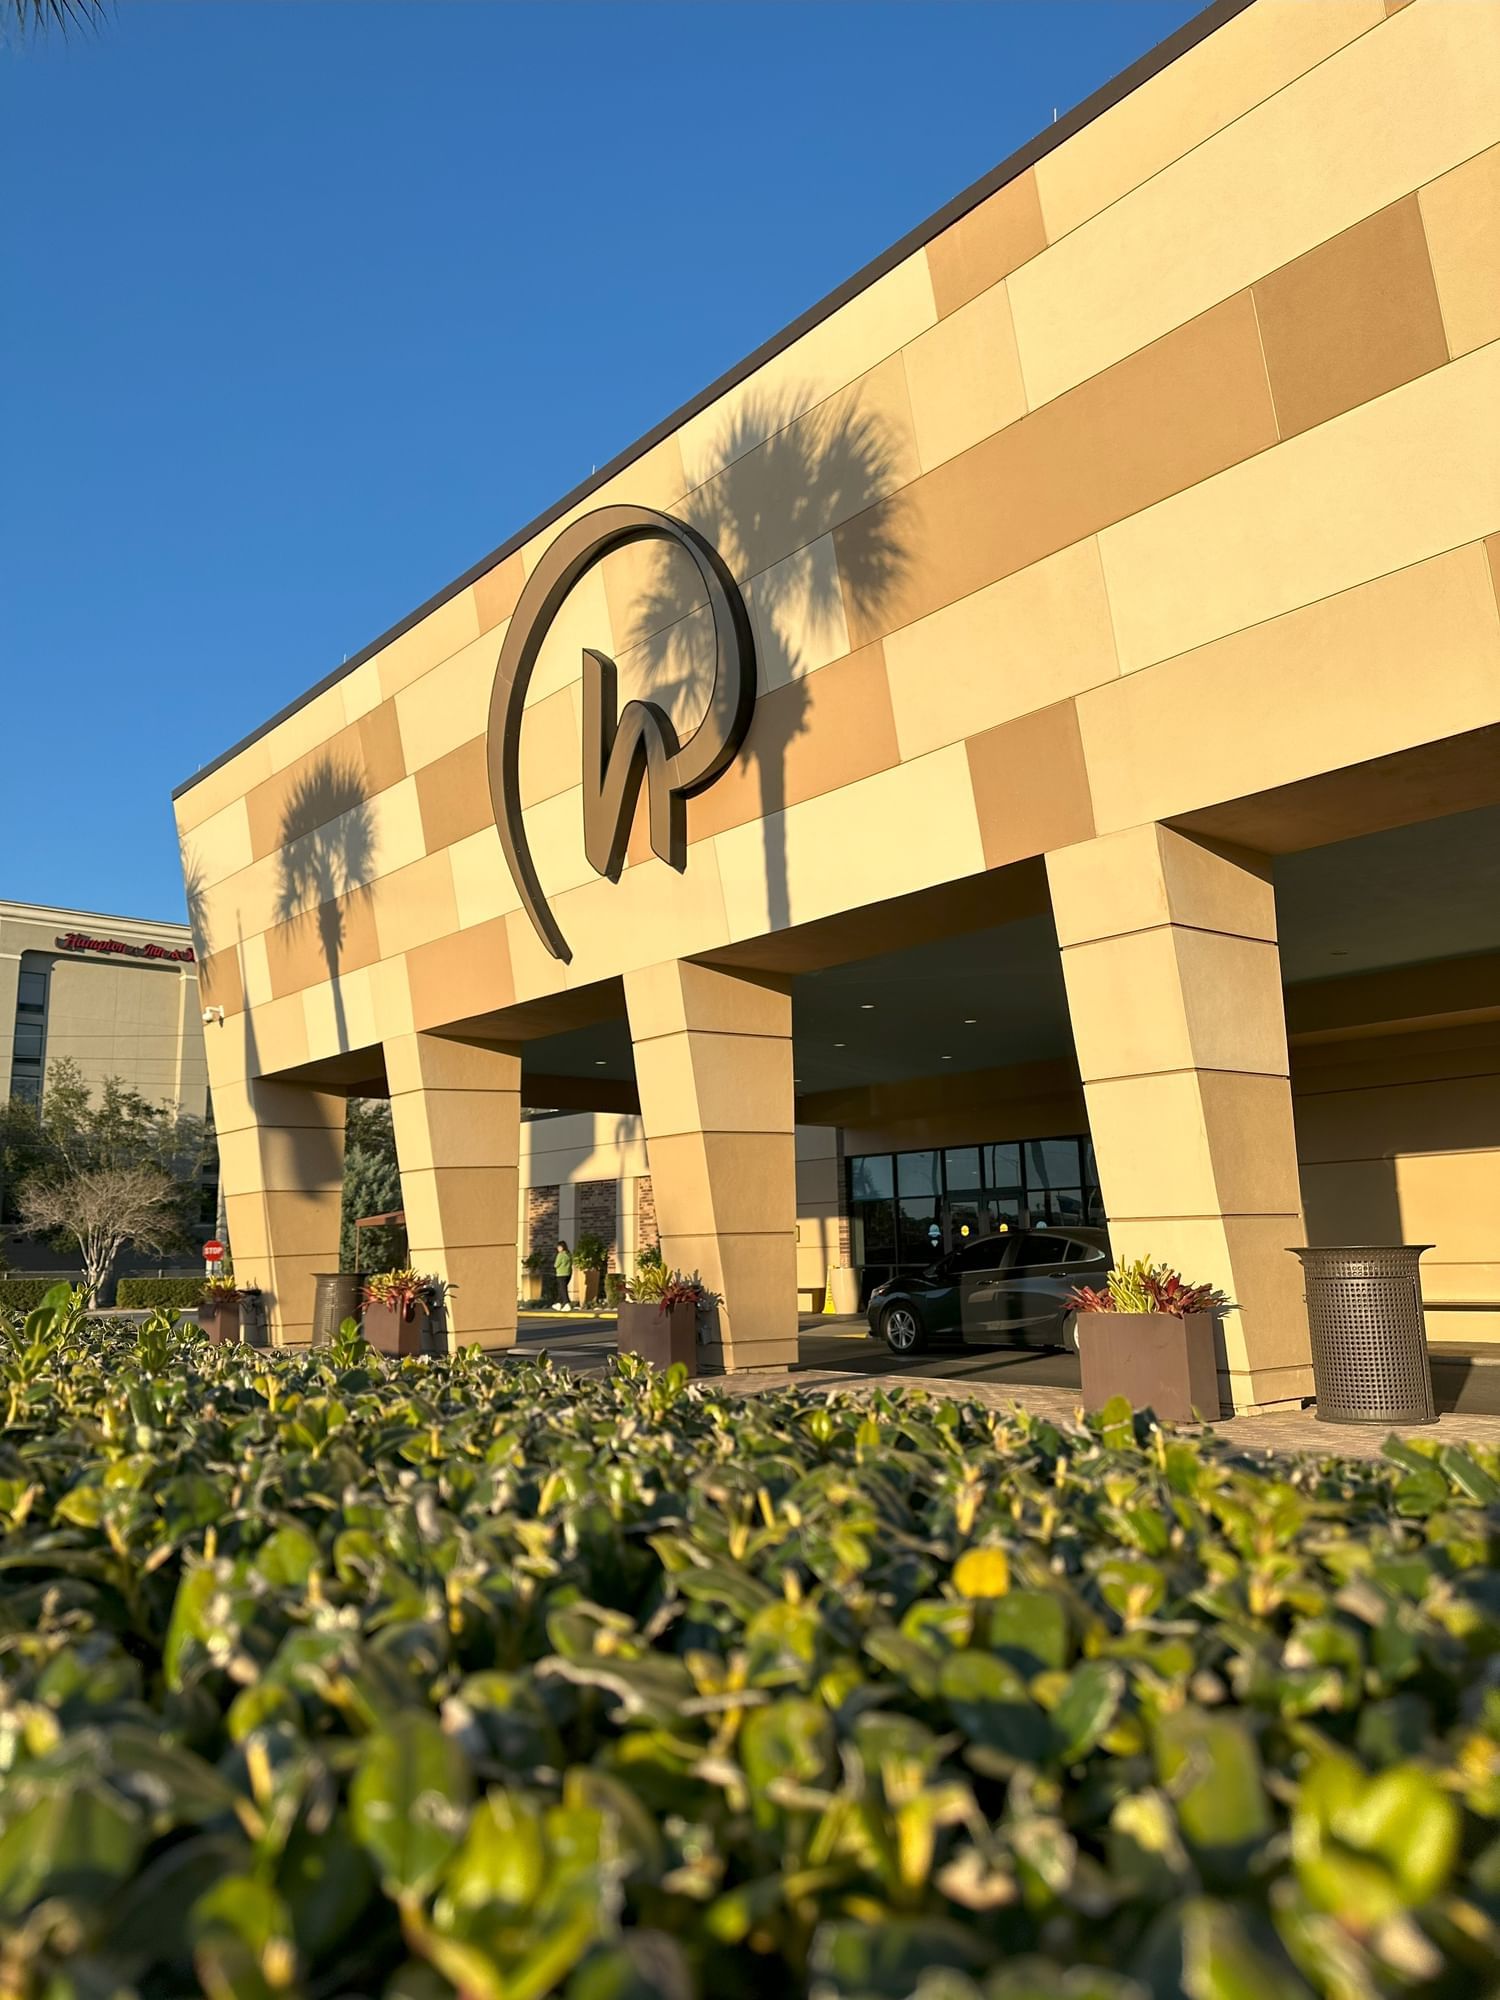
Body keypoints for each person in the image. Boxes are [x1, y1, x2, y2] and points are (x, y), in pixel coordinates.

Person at [552, 1238, 573, 1311]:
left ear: (562, 1247)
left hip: (561, 1274)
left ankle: (567, 1303)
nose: (558, 1248)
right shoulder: (569, 1254)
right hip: (568, 1273)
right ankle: (558, 1303)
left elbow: (556, 1265)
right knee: (561, 1289)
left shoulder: (560, 1255)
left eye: (559, 1247)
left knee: (563, 1289)